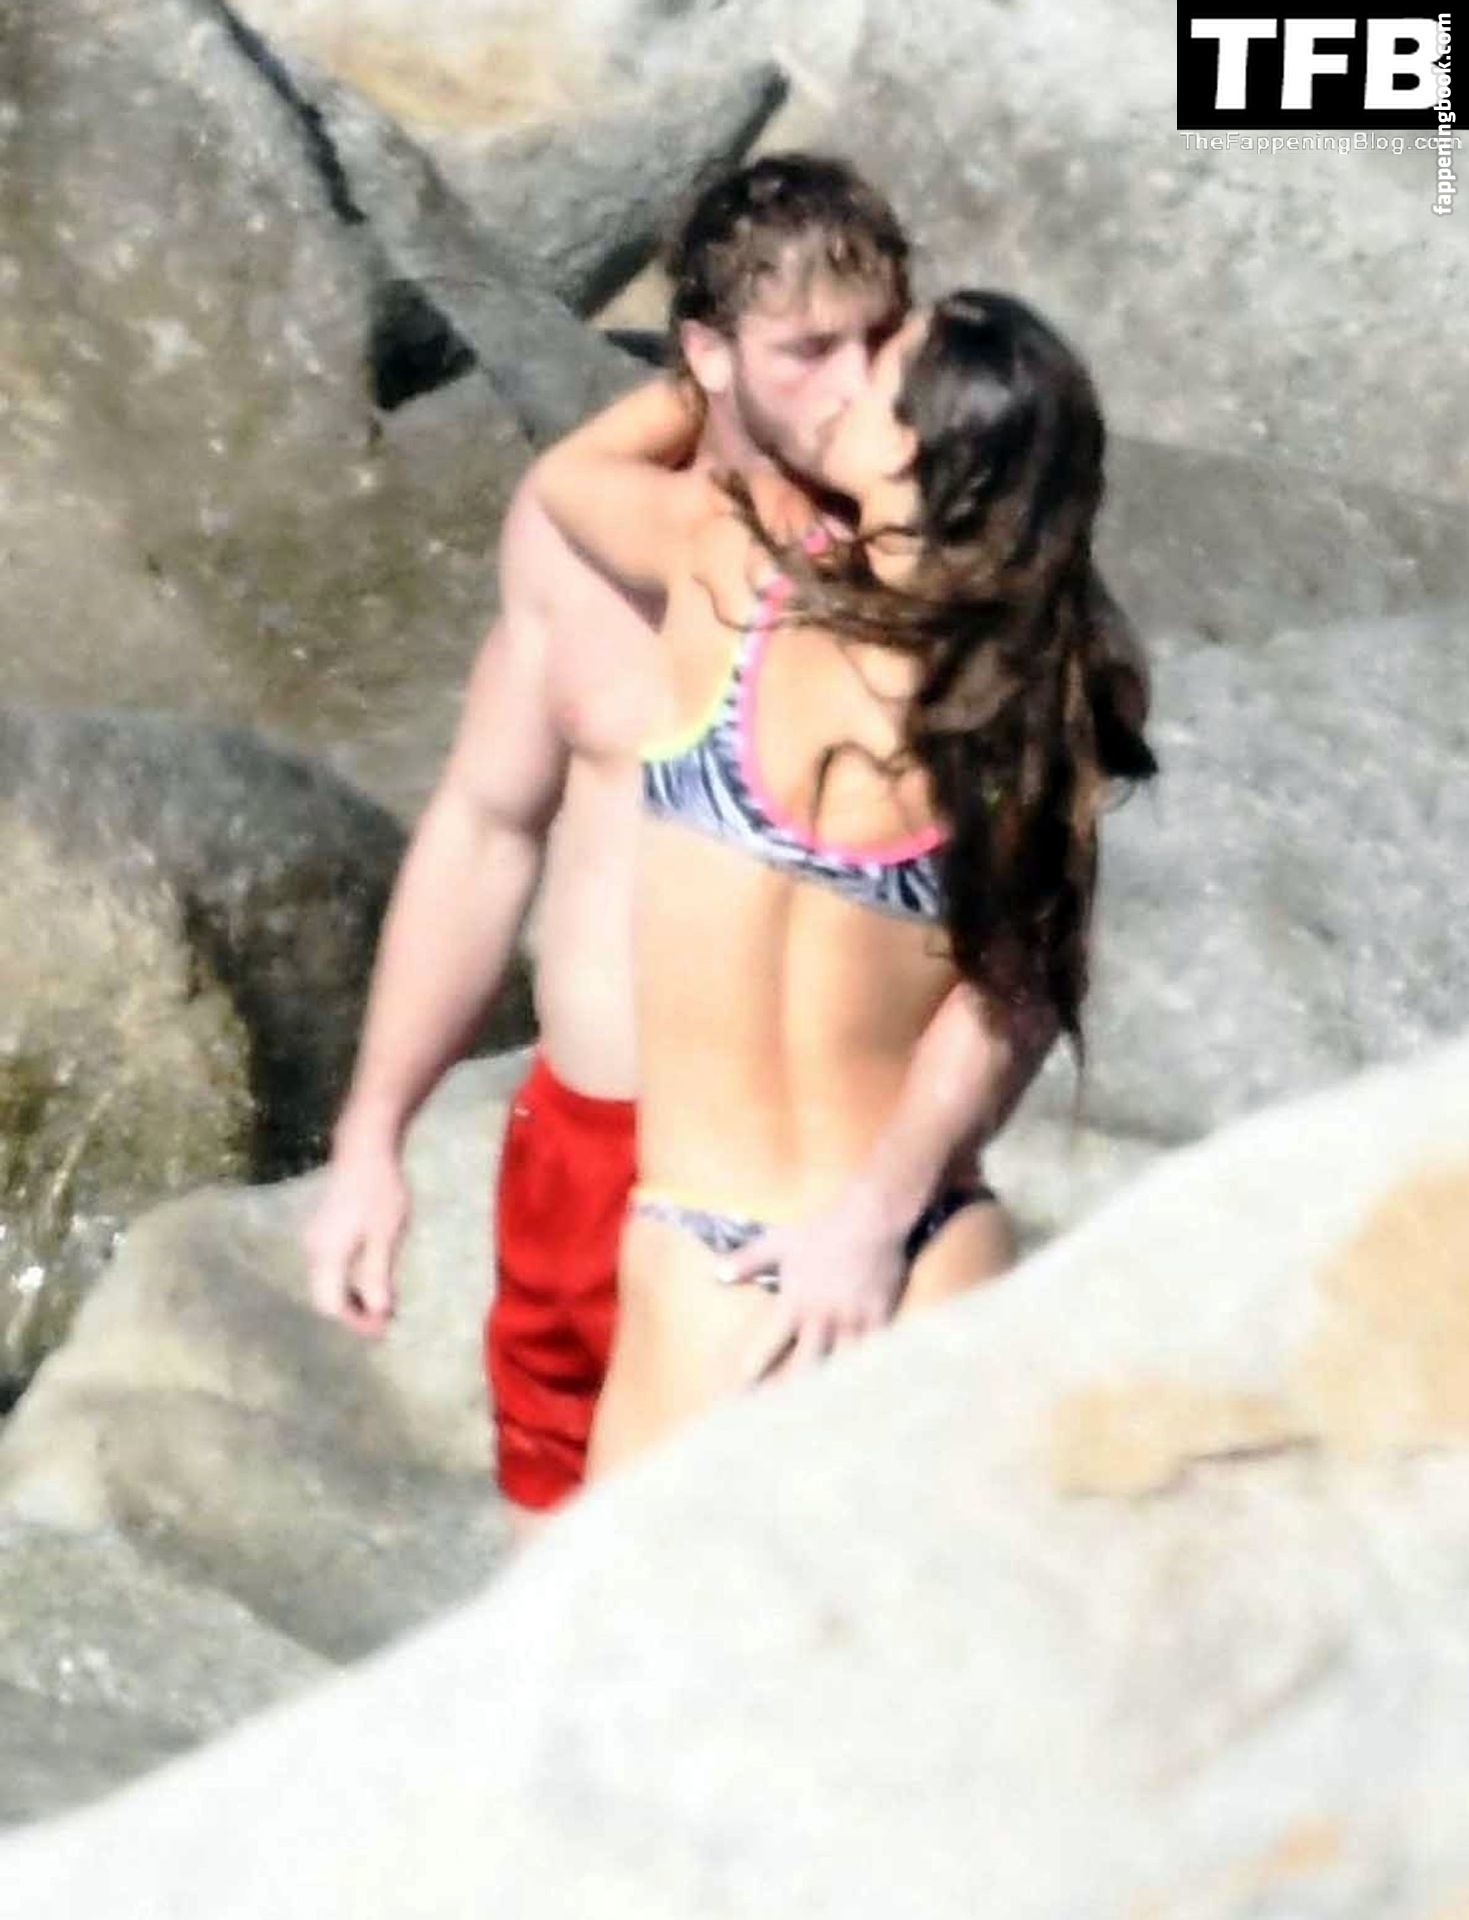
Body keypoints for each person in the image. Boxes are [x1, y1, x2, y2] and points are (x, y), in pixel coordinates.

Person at [304, 155, 1043, 1536]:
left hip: (823, 1186)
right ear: (708, 353)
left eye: (880, 340)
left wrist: (891, 1199)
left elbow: (1025, 960)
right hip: (590, 1158)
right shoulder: (584, 538)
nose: (854, 384)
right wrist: (372, 1136)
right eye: (807, 349)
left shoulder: (935, 561)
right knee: (562, 1593)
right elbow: (483, 830)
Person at [530, 289, 1157, 1474]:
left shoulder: (732, 570)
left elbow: (572, 478)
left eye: (872, 366)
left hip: (714, 1272)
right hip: (906, 1253)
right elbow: (1013, 991)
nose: (839, 378)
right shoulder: (1032, 689)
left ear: (909, 448)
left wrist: (724, 370)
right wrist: (872, 1220)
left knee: (630, 1599)